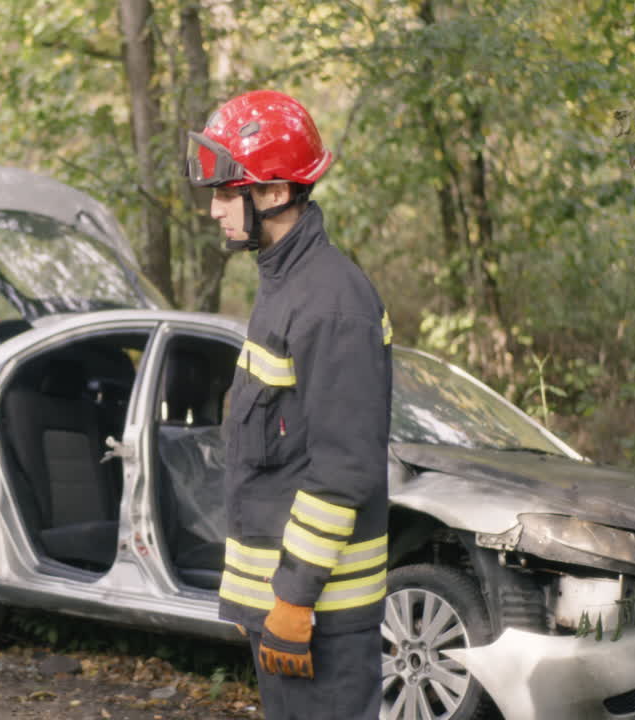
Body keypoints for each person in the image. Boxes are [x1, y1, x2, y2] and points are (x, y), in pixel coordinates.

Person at [186, 90, 392, 720]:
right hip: (283, 607)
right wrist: (264, 600)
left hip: (320, 616)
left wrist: (295, 598)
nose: (215, 208)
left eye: (227, 192)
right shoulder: (285, 283)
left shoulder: (332, 301)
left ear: (274, 192)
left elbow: (343, 471)